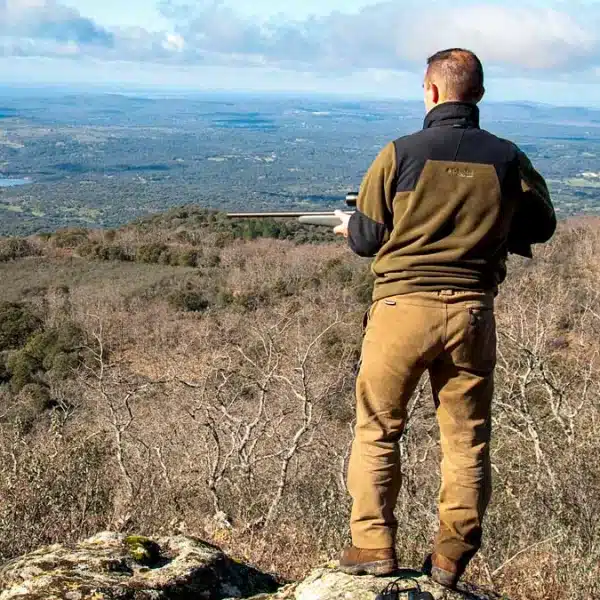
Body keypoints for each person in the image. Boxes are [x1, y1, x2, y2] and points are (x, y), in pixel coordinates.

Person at [332, 48, 556, 589]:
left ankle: (372, 546)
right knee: (466, 440)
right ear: (478, 94)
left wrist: (348, 227)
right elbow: (541, 223)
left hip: (401, 311)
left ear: (429, 91)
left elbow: (365, 240)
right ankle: (450, 559)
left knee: (379, 429)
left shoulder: (400, 153)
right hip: (473, 315)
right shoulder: (507, 158)